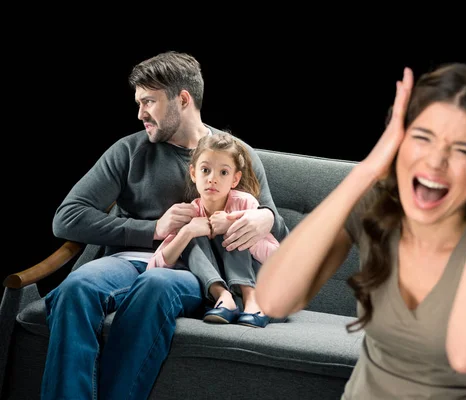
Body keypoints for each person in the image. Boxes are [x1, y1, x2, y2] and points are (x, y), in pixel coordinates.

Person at [254, 63, 466, 399]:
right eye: (422, 137)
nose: (435, 162)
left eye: (463, 150)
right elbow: (272, 300)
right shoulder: (378, 208)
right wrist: (369, 169)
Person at [42, 51, 289, 400]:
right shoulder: (129, 151)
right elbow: (67, 217)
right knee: (76, 286)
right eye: (139, 102)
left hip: (195, 270)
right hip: (129, 260)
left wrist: (266, 217)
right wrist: (153, 229)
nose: (140, 113)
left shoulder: (233, 154)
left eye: (149, 102)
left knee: (157, 284)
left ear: (183, 99)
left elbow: (280, 238)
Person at [147, 132, 278, 328]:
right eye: (205, 170)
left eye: (223, 172)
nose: (212, 179)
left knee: (235, 228)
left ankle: (251, 298)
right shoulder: (192, 212)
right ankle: (223, 296)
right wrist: (187, 233)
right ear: (193, 174)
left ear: (235, 179)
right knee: (191, 230)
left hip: (259, 291)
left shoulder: (245, 204)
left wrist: (233, 227)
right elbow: (153, 268)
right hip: (219, 299)